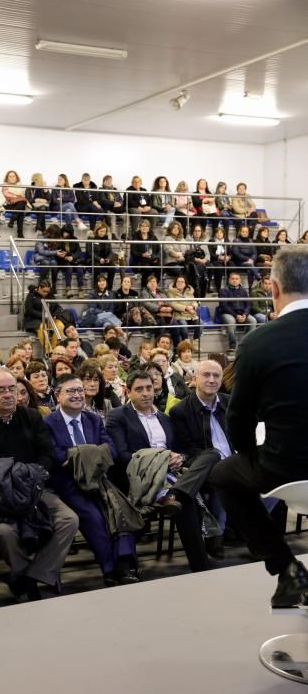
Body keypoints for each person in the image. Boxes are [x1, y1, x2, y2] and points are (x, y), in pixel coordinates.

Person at [210, 246, 308, 608]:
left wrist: (248, 455)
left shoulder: (257, 342)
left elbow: (238, 420)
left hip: (287, 470)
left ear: (274, 289)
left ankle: (287, 569)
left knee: (223, 474)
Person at [0, 368, 79, 602]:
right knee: (5, 533)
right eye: (1, 390)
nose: (8, 395)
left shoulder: (31, 417)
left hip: (36, 489)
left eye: (12, 389)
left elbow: (46, 455)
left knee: (69, 520)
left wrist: (27, 477)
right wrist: (22, 475)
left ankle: (29, 577)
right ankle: (24, 574)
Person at [106, 369, 210, 572]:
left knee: (208, 458)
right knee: (187, 500)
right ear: (128, 391)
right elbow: (122, 455)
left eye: (148, 388)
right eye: (139, 389)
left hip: (174, 473)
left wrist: (180, 458)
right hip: (139, 476)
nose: (145, 393)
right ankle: (201, 565)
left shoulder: (165, 418)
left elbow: (181, 448)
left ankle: (172, 493)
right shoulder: (118, 416)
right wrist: (160, 460)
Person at [45, 373, 140, 584]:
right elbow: (55, 455)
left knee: (120, 510)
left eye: (79, 390)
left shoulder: (94, 419)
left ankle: (125, 563)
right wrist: (92, 454)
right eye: (70, 391)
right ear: (57, 394)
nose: (77, 395)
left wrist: (79, 455)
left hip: (99, 479)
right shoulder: (49, 423)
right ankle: (110, 569)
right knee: (94, 517)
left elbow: (111, 450)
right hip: (68, 484)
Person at [165, 360, 233, 559]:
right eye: (206, 375)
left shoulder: (230, 402)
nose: (211, 380)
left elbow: (242, 434)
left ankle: (253, 528)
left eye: (216, 376)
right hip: (206, 464)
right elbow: (187, 449)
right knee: (224, 475)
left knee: (274, 475)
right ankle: (216, 533)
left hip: (236, 459)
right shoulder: (180, 411)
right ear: (194, 379)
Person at [218, 272, 257, 353]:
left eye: (237, 279)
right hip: (228, 313)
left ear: (240, 281)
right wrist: (236, 316)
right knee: (231, 321)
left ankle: (245, 344)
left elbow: (248, 304)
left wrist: (245, 315)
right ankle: (232, 345)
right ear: (229, 280)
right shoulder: (223, 291)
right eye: (232, 279)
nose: (234, 281)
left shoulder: (244, 291)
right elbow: (224, 306)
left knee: (253, 321)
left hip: (242, 313)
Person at [23, 280, 66, 351]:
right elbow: (29, 310)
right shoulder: (31, 295)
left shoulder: (50, 295)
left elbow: (58, 307)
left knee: (60, 325)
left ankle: (54, 349)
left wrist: (55, 315)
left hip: (49, 319)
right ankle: (48, 350)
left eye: (47, 291)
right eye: (44, 291)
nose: (46, 293)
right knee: (42, 327)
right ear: (39, 288)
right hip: (34, 319)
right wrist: (44, 316)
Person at [140, 274, 179, 345]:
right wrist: (160, 308)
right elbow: (147, 304)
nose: (153, 283)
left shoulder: (161, 293)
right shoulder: (144, 293)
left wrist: (170, 308)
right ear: (147, 284)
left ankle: (176, 348)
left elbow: (168, 302)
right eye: (151, 282)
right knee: (162, 327)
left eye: (154, 282)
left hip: (166, 315)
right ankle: (159, 348)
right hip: (154, 316)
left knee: (175, 325)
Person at [167, 275, 201, 344]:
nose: (180, 283)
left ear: (185, 284)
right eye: (178, 282)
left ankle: (195, 342)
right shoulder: (170, 292)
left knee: (200, 323)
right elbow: (173, 304)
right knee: (183, 324)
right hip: (179, 315)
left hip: (190, 315)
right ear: (175, 283)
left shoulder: (189, 291)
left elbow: (195, 302)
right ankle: (186, 342)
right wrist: (186, 308)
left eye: (182, 282)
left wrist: (192, 307)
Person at [56, 225, 85, 298]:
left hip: (73, 260)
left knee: (79, 267)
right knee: (69, 268)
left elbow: (79, 252)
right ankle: (68, 289)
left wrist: (72, 257)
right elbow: (58, 253)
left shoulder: (74, 239)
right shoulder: (59, 240)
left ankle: (80, 289)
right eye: (64, 232)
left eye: (67, 233)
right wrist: (65, 257)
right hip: (62, 261)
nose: (65, 234)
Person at [130, 219, 161, 287]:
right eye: (142, 226)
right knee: (147, 268)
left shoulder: (153, 237)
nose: (144, 228)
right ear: (139, 227)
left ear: (149, 228)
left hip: (152, 259)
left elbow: (159, 250)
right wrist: (142, 254)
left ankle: (154, 286)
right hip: (139, 260)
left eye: (146, 226)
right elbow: (133, 252)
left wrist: (156, 257)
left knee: (159, 267)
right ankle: (144, 287)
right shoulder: (135, 237)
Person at [87, 222, 116, 292]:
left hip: (105, 259)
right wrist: (99, 259)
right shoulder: (91, 239)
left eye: (104, 231)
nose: (103, 233)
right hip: (94, 259)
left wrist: (108, 259)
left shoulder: (107, 239)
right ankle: (96, 287)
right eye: (101, 231)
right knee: (97, 267)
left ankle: (109, 288)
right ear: (97, 231)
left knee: (112, 267)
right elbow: (90, 252)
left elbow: (110, 252)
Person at [230, 224, 260, 288]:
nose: (244, 233)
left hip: (250, 262)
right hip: (239, 262)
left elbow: (255, 253)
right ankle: (259, 279)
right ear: (240, 232)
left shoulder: (251, 241)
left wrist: (252, 259)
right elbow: (236, 254)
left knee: (250, 271)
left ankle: (250, 288)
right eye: (243, 232)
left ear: (248, 233)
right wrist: (247, 259)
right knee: (250, 266)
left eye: (246, 232)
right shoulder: (236, 241)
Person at [2, 170, 29, 238]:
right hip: (8, 205)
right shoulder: (5, 186)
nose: (12, 178)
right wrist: (17, 196)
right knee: (21, 205)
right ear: (7, 178)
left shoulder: (20, 186)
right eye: (10, 176)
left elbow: (22, 196)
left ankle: (12, 220)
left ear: (16, 177)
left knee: (21, 205)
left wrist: (15, 196)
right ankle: (20, 233)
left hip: (18, 205)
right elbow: (7, 196)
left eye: (13, 176)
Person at [185, 223, 210, 298]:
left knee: (203, 266)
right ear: (192, 231)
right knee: (195, 266)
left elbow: (208, 254)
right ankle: (197, 289)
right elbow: (186, 253)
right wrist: (196, 259)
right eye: (195, 231)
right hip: (191, 260)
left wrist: (205, 260)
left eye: (199, 231)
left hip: (201, 262)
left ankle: (201, 289)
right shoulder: (188, 240)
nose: (197, 233)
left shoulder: (204, 241)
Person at [209, 225, 232, 293]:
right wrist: (219, 257)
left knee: (231, 265)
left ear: (223, 234)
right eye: (217, 233)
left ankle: (230, 286)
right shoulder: (211, 241)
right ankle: (218, 288)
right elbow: (211, 254)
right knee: (219, 268)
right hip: (215, 259)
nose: (219, 234)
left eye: (221, 233)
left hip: (225, 259)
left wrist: (228, 257)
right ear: (215, 234)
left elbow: (230, 253)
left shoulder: (226, 241)